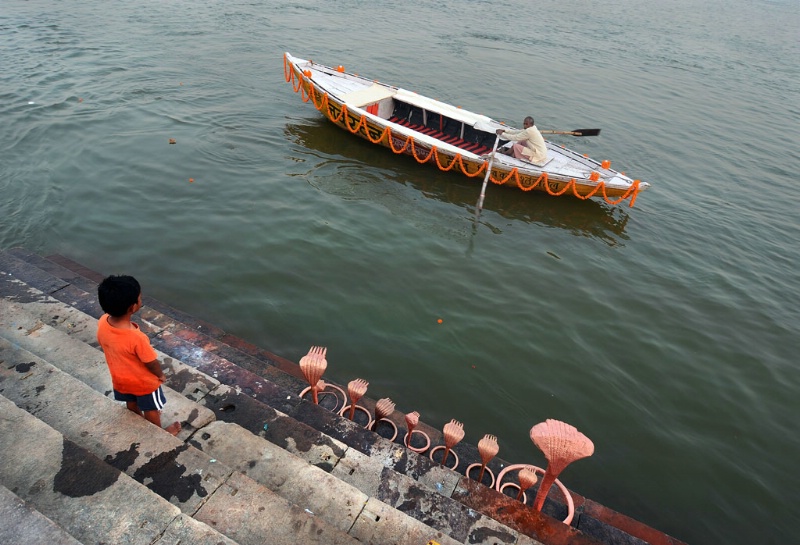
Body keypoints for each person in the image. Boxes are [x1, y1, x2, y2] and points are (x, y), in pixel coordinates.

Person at [96, 275, 181, 436]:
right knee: (152, 408)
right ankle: (160, 434)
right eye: (140, 298)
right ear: (132, 308)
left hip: (120, 378)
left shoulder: (102, 322)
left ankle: (138, 419)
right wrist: (160, 375)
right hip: (144, 384)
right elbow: (150, 361)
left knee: (131, 402)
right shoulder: (136, 338)